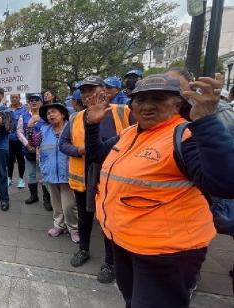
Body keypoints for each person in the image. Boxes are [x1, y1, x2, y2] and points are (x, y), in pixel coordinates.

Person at [85, 73, 234, 308]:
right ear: (131, 105)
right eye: (141, 100)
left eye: (159, 98)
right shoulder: (129, 134)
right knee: (131, 300)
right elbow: (95, 155)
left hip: (165, 253)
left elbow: (225, 184)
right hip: (124, 242)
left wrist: (206, 122)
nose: (148, 106)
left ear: (177, 104)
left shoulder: (186, 136)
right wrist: (92, 126)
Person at [60, 75, 133, 284]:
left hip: (113, 179)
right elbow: (63, 144)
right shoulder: (75, 118)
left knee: (108, 221)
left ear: (105, 90)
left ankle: (111, 262)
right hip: (83, 178)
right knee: (84, 217)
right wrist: (78, 150)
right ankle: (83, 249)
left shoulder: (124, 112)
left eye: (92, 89)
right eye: (83, 91)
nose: (87, 95)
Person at [32, 102, 79, 242]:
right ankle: (59, 225)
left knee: (69, 205)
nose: (50, 115)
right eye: (48, 113)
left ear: (63, 114)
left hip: (68, 173)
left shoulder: (71, 128)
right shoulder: (44, 129)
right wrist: (31, 127)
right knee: (56, 204)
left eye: (53, 112)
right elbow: (35, 146)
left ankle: (74, 228)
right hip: (50, 173)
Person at [16, 94, 46, 205]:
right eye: (31, 100)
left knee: (44, 174)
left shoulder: (46, 116)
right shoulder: (23, 116)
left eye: (37, 100)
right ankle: (33, 196)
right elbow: (19, 131)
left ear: (41, 102)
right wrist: (27, 144)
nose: (34, 102)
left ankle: (47, 199)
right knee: (31, 174)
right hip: (29, 150)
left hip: (43, 151)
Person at [7, 93, 26, 189]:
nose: (14, 99)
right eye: (12, 97)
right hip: (9, 139)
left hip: (20, 139)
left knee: (20, 159)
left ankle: (21, 179)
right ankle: (9, 178)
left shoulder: (24, 109)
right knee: (9, 160)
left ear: (19, 98)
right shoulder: (7, 109)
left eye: (16, 97)